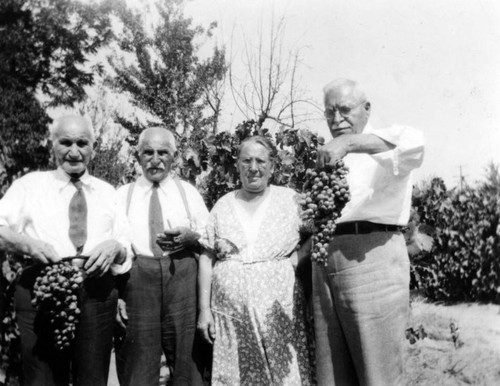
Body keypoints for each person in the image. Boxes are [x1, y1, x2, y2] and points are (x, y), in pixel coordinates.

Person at [0, 115, 130, 386]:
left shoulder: (108, 193)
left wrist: (113, 247)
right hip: (42, 288)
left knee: (93, 379)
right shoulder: (30, 186)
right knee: (42, 379)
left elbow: (125, 250)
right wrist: (27, 244)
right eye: (65, 142)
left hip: (96, 292)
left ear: (93, 147)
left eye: (82, 143)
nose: (74, 151)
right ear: (53, 145)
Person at [313, 78, 424, 386]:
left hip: (372, 260)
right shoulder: (331, 156)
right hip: (326, 262)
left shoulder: (386, 140)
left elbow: (415, 145)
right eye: (329, 112)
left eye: (345, 110)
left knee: (378, 375)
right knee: (332, 374)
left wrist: (349, 142)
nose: (337, 120)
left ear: (367, 109)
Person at [197, 136, 315, 385]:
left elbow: (319, 231)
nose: (253, 167)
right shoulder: (222, 205)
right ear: (237, 165)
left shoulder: (290, 200)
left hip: (279, 314)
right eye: (246, 160)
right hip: (232, 318)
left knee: (285, 375)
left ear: (272, 166)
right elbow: (207, 258)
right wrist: (204, 310)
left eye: (260, 161)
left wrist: (297, 258)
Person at [115, 127, 210, 386]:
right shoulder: (123, 195)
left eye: (162, 152)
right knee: (137, 365)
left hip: (181, 278)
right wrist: (118, 294)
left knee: (188, 363)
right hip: (138, 281)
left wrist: (191, 236)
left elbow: (209, 236)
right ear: (138, 155)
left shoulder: (187, 192)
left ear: (174, 157)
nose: (155, 159)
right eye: (148, 152)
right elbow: (116, 246)